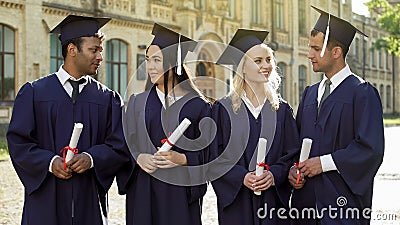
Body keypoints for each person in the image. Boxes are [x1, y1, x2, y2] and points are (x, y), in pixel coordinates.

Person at [6, 15, 129, 225]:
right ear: (72, 50)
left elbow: (119, 146)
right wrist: (49, 162)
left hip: (88, 202)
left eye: (101, 50)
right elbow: (19, 143)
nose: (100, 56)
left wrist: (92, 158)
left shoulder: (107, 99)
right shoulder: (35, 93)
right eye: (94, 50)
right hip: (45, 202)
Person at [288, 6, 384, 225]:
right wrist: (293, 170)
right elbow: (296, 143)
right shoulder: (310, 93)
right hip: (305, 208)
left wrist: (324, 163)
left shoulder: (362, 93)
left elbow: (371, 149)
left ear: (336, 52)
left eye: (315, 48)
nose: (309, 54)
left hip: (342, 206)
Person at [117, 23, 212, 225]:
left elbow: (211, 152)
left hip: (180, 195)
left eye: (157, 60)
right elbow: (121, 143)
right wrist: (138, 157)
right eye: (147, 60)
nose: (150, 66)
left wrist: (183, 158)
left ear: (173, 63)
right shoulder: (137, 103)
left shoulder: (199, 107)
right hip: (143, 191)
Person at [209, 29, 300, 225]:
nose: (266, 65)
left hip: (273, 205)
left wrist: (274, 175)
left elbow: (292, 154)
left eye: (268, 60)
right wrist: (241, 177)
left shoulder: (281, 110)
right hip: (237, 206)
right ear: (242, 67)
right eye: (258, 61)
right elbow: (213, 158)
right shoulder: (223, 110)